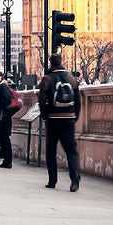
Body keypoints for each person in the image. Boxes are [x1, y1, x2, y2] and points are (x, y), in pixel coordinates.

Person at [38, 52, 82, 191]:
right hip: (68, 118)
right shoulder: (72, 79)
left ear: (50, 63)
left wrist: (45, 116)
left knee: (51, 150)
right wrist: (75, 116)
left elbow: (41, 101)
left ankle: (52, 180)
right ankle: (74, 178)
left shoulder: (47, 79)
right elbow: (78, 100)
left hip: (53, 119)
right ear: (61, 61)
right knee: (71, 150)